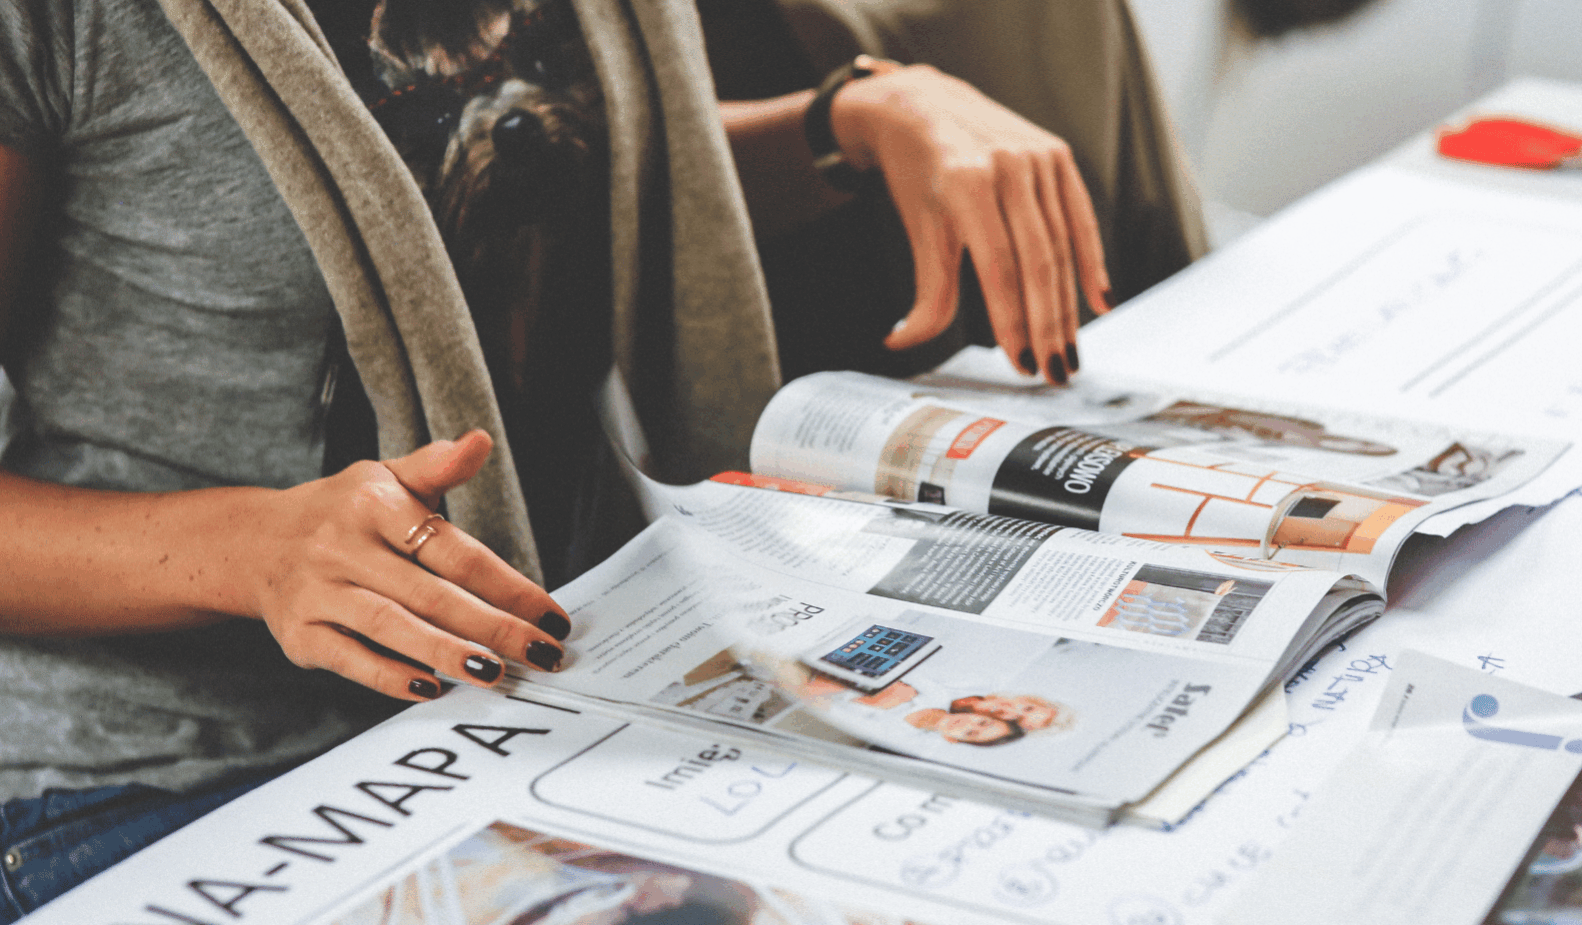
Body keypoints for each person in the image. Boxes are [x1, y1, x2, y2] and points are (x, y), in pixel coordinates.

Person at [0, 0, 1204, 916]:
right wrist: (252, 548)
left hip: (558, 683)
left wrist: (852, 123)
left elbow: (565, 177)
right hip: (172, 782)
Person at [903, 707, 1026, 746]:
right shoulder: (937, 690)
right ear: (980, 713)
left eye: (970, 733)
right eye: (982, 722)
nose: (967, 725)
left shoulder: (904, 740)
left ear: (951, 739)